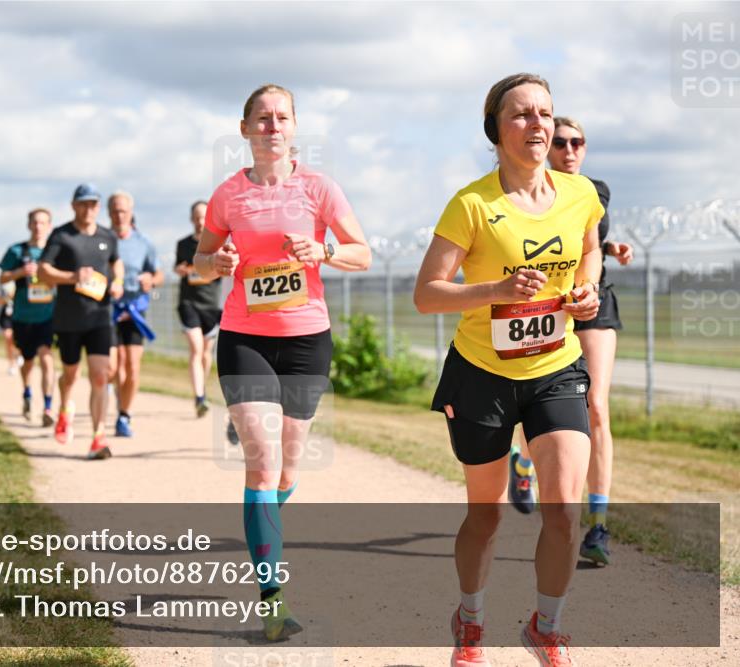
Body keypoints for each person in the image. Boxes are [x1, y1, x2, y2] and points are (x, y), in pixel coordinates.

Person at [414, 73, 603, 667]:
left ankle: (546, 627)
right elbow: (426, 294)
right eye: (521, 114)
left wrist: (586, 289)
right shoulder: (473, 204)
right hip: (482, 372)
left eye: (545, 113)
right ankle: (470, 620)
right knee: (487, 512)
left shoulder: (580, 195)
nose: (538, 124)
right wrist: (494, 288)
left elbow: (589, 249)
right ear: (495, 130)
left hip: (556, 365)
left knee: (564, 508)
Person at [193, 84, 371, 641]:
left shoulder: (320, 188)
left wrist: (325, 252)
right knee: (263, 463)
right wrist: (215, 261)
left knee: (287, 470)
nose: (272, 126)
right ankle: (272, 598)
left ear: (294, 128)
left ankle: (263, 515)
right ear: (244, 129)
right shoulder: (227, 195)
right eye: (262, 119)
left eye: (282, 117)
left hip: (305, 339)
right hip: (245, 335)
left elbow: (361, 253)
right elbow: (200, 263)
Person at [525, 116, 630, 566]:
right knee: (531, 396)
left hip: (593, 302)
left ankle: (599, 524)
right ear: (547, 148)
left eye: (578, 142)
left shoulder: (595, 190)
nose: (570, 150)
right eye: (562, 142)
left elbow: (584, 241)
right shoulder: (525, 196)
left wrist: (611, 250)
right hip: (546, 307)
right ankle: (521, 457)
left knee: (597, 405)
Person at [39, 184, 124, 459]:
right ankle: (65, 408)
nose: (89, 209)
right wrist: (72, 277)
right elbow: (43, 271)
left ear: (98, 207)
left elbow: (115, 263)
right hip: (69, 319)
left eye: (93, 204)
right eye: (83, 204)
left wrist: (119, 281)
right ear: (74, 206)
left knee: (101, 375)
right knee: (71, 374)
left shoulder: (107, 236)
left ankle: (98, 438)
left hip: (100, 316)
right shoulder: (62, 236)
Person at [108, 191, 163, 438]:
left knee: (132, 367)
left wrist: (150, 278)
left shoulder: (143, 242)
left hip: (135, 310)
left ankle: (124, 415)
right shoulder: (103, 239)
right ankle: (117, 398)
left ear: (131, 213)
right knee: (113, 369)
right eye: (115, 211)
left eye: (124, 211)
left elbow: (158, 274)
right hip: (108, 310)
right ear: (109, 213)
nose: (120, 215)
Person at [0, 207, 57, 427]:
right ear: (29, 225)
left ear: (49, 226)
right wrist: (20, 272)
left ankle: (48, 406)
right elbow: (3, 277)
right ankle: (27, 392)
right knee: (28, 361)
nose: (38, 227)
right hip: (23, 315)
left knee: (47, 357)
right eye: (35, 222)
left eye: (43, 223)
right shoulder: (17, 251)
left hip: (48, 314)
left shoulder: (54, 252)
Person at [175, 200, 224, 418]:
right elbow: (178, 267)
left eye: (203, 216)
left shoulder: (218, 244)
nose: (199, 221)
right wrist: (182, 270)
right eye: (196, 216)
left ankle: (201, 387)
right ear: (191, 218)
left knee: (205, 353)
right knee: (196, 348)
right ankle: (199, 398)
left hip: (211, 306)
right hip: (189, 303)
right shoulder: (183, 244)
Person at [0, 280, 19, 375]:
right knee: (8, 337)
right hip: (7, 316)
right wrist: (8, 297)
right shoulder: (5, 285)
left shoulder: (25, 281)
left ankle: (18, 355)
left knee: (18, 340)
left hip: (20, 315)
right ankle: (12, 364)